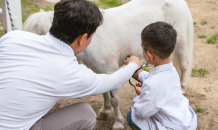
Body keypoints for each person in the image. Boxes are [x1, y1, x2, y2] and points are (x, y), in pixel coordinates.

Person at [0, 0, 141, 130]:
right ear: (82, 39)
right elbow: (112, 81)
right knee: (86, 113)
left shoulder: (12, 37)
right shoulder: (71, 73)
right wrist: (133, 64)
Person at [123, 22, 197, 130]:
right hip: (185, 121)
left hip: (174, 127)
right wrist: (139, 74)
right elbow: (157, 81)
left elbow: (141, 112)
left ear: (149, 55)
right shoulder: (172, 70)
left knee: (131, 116)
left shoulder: (151, 85)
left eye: (142, 47)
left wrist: (141, 96)